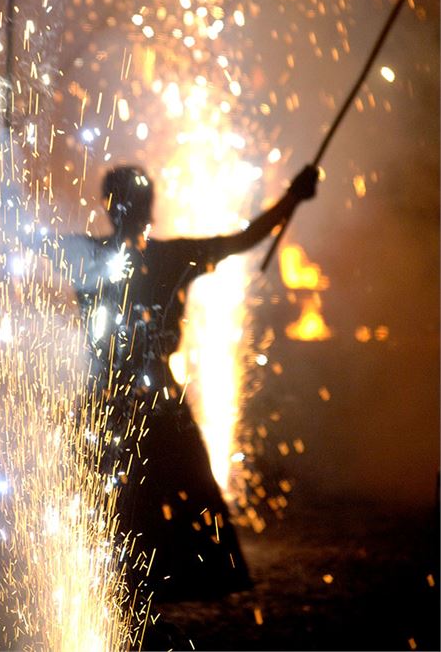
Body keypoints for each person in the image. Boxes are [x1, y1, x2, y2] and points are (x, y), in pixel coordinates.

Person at [25, 163, 319, 600]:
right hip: (153, 397)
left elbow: (17, 232)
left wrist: (292, 198)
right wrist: (291, 199)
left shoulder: (88, 254)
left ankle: (129, 590)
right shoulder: (167, 258)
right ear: (143, 207)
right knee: (164, 496)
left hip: (107, 400)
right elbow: (243, 239)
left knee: (112, 498)